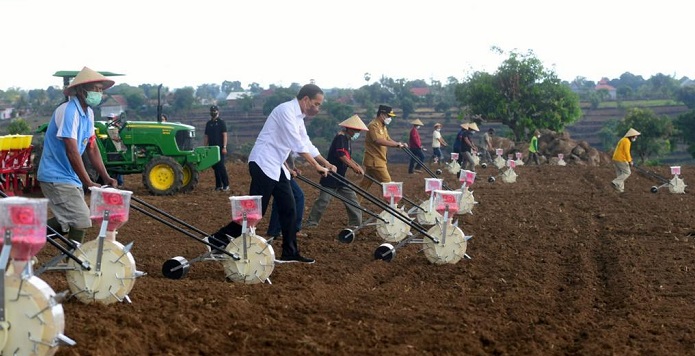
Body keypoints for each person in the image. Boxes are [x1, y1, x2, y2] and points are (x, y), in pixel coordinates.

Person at [208, 84, 336, 264]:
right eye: (316, 104)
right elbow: (296, 144)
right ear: (305, 99)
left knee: (289, 208)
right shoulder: (285, 111)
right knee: (254, 212)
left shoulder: (299, 117)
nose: (318, 108)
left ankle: (290, 252)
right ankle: (216, 240)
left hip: (276, 166)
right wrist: (316, 165)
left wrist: (326, 163)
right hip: (263, 163)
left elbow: (305, 143)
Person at [38, 66, 118, 244]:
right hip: (55, 176)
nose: (99, 93)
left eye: (100, 90)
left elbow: (92, 148)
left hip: (69, 176)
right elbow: (72, 150)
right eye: (95, 89)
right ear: (82, 90)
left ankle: (22, 240)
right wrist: (88, 182)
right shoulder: (69, 111)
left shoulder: (88, 113)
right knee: (81, 220)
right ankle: (74, 263)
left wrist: (106, 177)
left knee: (66, 221)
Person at [306, 114, 367, 229]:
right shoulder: (341, 138)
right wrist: (354, 167)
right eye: (356, 130)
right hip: (331, 175)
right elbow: (342, 156)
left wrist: (356, 165)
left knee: (352, 199)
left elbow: (348, 156)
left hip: (341, 177)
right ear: (349, 129)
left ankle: (356, 223)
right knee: (323, 200)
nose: (357, 133)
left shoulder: (347, 140)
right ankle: (311, 223)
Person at [358, 105, 407, 195]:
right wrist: (396, 144)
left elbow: (388, 139)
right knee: (388, 184)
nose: (389, 118)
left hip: (377, 160)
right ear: (382, 114)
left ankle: (354, 205)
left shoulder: (383, 126)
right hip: (375, 162)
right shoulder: (373, 125)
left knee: (364, 186)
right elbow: (378, 140)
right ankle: (393, 206)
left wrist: (399, 144)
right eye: (388, 116)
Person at [266, 155, 306, 239]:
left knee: (279, 199)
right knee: (298, 196)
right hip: (280, 171)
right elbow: (280, 157)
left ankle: (274, 230)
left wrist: (293, 167)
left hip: (278, 170)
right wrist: (289, 170)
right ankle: (295, 229)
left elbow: (286, 156)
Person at [204, 105, 230, 192]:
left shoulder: (221, 122)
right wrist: (205, 147)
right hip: (211, 149)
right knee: (215, 167)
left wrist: (224, 147)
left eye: (214, 111)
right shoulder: (209, 123)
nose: (213, 112)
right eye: (212, 111)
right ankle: (218, 185)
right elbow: (206, 136)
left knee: (221, 166)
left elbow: (224, 135)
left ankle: (226, 184)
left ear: (218, 111)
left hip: (220, 148)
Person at [611, 128, 640, 193]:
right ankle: (615, 182)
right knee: (627, 172)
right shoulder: (627, 141)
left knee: (620, 174)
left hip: (616, 158)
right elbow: (627, 152)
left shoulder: (623, 140)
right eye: (635, 136)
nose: (636, 137)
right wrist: (630, 161)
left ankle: (620, 190)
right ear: (632, 135)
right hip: (621, 159)